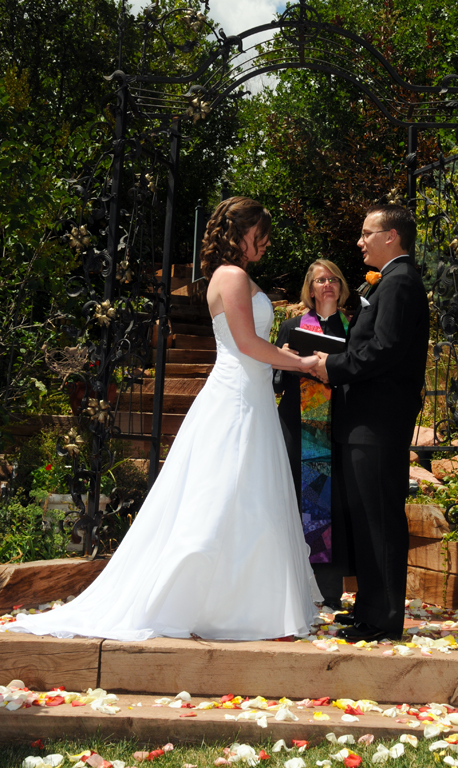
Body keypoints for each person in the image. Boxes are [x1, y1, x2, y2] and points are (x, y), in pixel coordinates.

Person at [8, 197, 321, 642]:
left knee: (248, 495)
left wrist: (282, 354)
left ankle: (244, 603)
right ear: (240, 234)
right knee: (226, 494)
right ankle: (212, 604)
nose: (266, 243)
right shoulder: (232, 276)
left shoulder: (230, 275)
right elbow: (247, 344)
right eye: (261, 235)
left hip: (248, 394)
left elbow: (251, 342)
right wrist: (302, 363)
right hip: (236, 399)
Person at [311, 204, 429, 642]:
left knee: (379, 519)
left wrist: (331, 366)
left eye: (367, 233)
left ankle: (382, 619)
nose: (360, 241)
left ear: (391, 236)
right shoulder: (389, 281)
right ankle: (369, 608)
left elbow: (385, 349)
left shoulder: (400, 282)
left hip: (378, 422)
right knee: (364, 517)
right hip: (365, 421)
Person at [274, 259, 350, 605]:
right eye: (320, 280)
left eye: (333, 279)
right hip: (297, 422)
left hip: (338, 424)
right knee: (297, 500)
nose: (327, 284)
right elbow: (275, 381)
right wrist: (282, 359)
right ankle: (292, 589)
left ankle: (328, 591)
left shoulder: (354, 326)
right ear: (310, 288)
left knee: (330, 504)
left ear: (341, 286)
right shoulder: (292, 327)